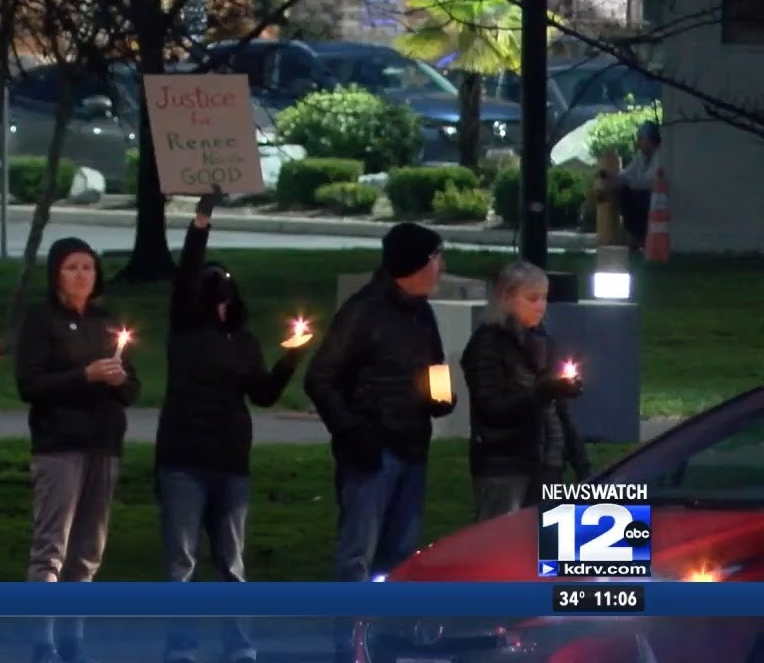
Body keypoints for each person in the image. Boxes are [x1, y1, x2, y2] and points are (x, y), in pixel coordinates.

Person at [155, 194, 308, 663]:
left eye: (226, 292)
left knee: (231, 561)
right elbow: (186, 276)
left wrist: (290, 359)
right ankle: (181, 643)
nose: (220, 300)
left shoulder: (243, 343)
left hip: (229, 459)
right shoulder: (184, 331)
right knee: (182, 561)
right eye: (212, 291)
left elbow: (261, 394)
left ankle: (236, 641)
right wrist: (201, 222)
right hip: (184, 456)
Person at [303, 222, 455, 584]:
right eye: (437, 258)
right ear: (416, 264)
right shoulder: (363, 313)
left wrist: (440, 396)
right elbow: (320, 378)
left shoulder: (422, 312)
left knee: (400, 554)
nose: (442, 267)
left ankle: (385, 634)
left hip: (413, 446)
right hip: (373, 452)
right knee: (359, 553)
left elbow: (434, 364)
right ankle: (350, 636)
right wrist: (353, 431)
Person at [14, 236, 141, 663]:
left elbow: (133, 388)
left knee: (88, 551)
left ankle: (73, 639)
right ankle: (41, 640)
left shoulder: (108, 323)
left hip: (104, 445)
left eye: (88, 266)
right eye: (72, 267)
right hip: (59, 444)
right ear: (56, 275)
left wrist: (118, 379)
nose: (81, 274)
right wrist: (84, 376)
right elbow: (29, 384)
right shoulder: (41, 320)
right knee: (52, 546)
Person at [461, 261, 590, 521]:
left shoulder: (542, 342)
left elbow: (559, 411)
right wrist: (542, 392)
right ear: (507, 297)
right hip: (506, 463)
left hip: (548, 461)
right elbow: (492, 408)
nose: (541, 306)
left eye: (544, 298)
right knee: (502, 544)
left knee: (545, 549)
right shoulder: (488, 344)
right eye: (532, 298)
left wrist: (580, 460)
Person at [599, 120, 662, 247]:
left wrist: (624, 182)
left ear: (650, 140)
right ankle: (633, 235)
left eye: (641, 139)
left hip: (654, 197)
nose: (638, 143)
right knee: (618, 192)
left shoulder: (661, 156)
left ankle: (640, 237)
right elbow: (628, 173)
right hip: (641, 194)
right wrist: (611, 177)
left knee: (627, 195)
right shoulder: (641, 156)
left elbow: (649, 182)